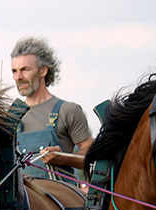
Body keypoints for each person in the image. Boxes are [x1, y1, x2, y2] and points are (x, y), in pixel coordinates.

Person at [9, 36, 93, 182]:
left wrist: (63, 159)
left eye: (25, 70)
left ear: (43, 71)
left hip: (63, 200)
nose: (18, 77)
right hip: (22, 202)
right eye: (14, 71)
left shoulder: (67, 110)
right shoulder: (12, 116)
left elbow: (92, 157)